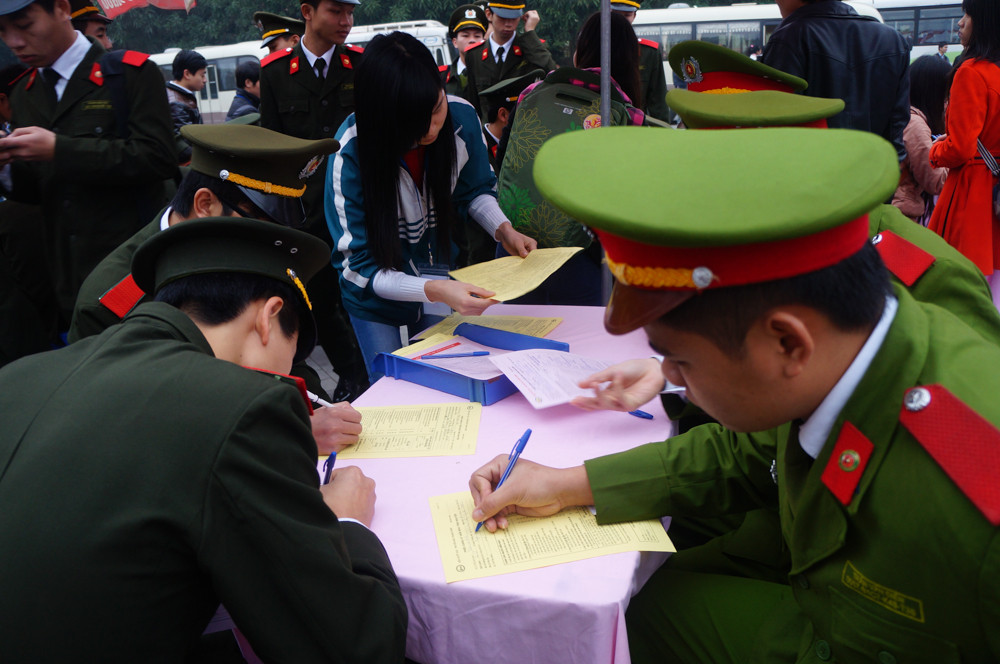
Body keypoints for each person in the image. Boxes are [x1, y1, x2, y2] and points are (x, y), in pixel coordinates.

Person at [471, 125, 1000, 662]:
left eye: (681, 362)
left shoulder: (975, 496)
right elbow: (748, 455)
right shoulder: (838, 357)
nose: (669, 379)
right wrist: (564, 485)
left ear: (787, 344)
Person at [0, 215, 407, 661]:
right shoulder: (243, 406)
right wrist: (346, 523)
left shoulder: (18, 376)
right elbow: (357, 647)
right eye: (290, 358)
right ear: (269, 317)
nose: (284, 376)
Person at [68, 123, 363, 455]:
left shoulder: (256, 248)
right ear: (206, 204)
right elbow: (126, 425)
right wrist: (286, 432)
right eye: (258, 224)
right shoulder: (112, 300)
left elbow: (288, 358)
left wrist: (314, 413)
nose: (269, 241)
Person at [326, 32, 535, 378]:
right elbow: (360, 267)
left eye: (436, 108)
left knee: (441, 376)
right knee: (390, 385)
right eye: (413, 120)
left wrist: (503, 229)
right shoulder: (351, 153)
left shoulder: (462, 118)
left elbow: (474, 189)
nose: (431, 128)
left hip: (437, 269)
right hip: (374, 294)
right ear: (381, 116)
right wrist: (436, 290)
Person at [0, 0, 176, 328]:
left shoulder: (129, 74)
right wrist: (7, 166)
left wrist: (60, 150)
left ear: (62, 8)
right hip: (70, 285)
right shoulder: (25, 93)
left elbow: (159, 157)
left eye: (24, 25)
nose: (14, 42)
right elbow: (40, 189)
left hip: (133, 278)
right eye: (2, 31)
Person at [494, 11, 646, 307]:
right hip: (586, 263)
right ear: (631, 60)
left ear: (579, 51)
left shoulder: (532, 93)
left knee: (516, 334)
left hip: (516, 247)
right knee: (583, 337)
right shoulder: (630, 116)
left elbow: (504, 162)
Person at [760, 0, 910, 161]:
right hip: (874, 169)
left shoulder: (789, 39)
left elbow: (778, 125)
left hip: (812, 170)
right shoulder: (893, 40)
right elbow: (897, 124)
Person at [927, 0, 1000, 284]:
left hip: (974, 194)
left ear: (985, 21)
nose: (960, 22)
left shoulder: (972, 72)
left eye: (967, 14)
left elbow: (960, 148)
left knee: (960, 279)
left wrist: (935, 150)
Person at [462, 0, 558, 120]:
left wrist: (530, 32)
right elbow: (473, 103)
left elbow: (552, 73)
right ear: (489, 14)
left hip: (521, 126)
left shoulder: (531, 48)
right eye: (502, 18)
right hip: (488, 129)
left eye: (513, 18)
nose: (508, 24)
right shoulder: (474, 55)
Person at [891, 54, 950, 224]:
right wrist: (951, 152)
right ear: (935, 94)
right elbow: (935, 181)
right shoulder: (915, 125)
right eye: (946, 95)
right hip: (901, 215)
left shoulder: (901, 113)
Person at [611, 0, 671, 123]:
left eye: (627, 15)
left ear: (634, 16)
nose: (621, 20)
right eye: (617, 14)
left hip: (635, 126)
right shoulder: (595, 47)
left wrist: (663, 130)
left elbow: (658, 101)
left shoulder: (648, 52)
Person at [166, 48, 205, 162]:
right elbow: (185, 145)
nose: (205, 80)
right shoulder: (176, 104)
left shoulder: (179, 95)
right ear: (187, 74)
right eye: (202, 75)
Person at [443, 3, 487, 97]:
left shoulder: (491, 73)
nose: (472, 40)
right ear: (455, 42)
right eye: (465, 35)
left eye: (477, 36)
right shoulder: (442, 76)